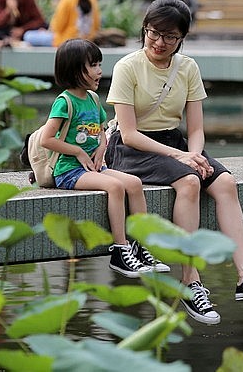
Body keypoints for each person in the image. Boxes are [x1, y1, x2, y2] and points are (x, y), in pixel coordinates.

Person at [105, 0, 243, 325]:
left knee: (225, 181)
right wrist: (183, 158)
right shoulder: (127, 67)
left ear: (182, 38)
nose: (159, 42)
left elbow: (196, 127)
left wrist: (195, 154)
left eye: (170, 36)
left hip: (177, 143)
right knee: (188, 181)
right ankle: (191, 281)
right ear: (144, 29)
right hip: (133, 149)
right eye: (153, 33)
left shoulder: (187, 68)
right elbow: (128, 134)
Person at [40, 38, 170, 277]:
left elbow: (101, 130)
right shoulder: (65, 101)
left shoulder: (93, 99)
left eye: (99, 64)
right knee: (115, 186)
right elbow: (46, 139)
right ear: (75, 69)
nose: (99, 71)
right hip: (69, 171)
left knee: (134, 183)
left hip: (93, 168)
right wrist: (78, 151)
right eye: (93, 65)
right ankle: (120, 250)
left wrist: (101, 147)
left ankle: (140, 246)